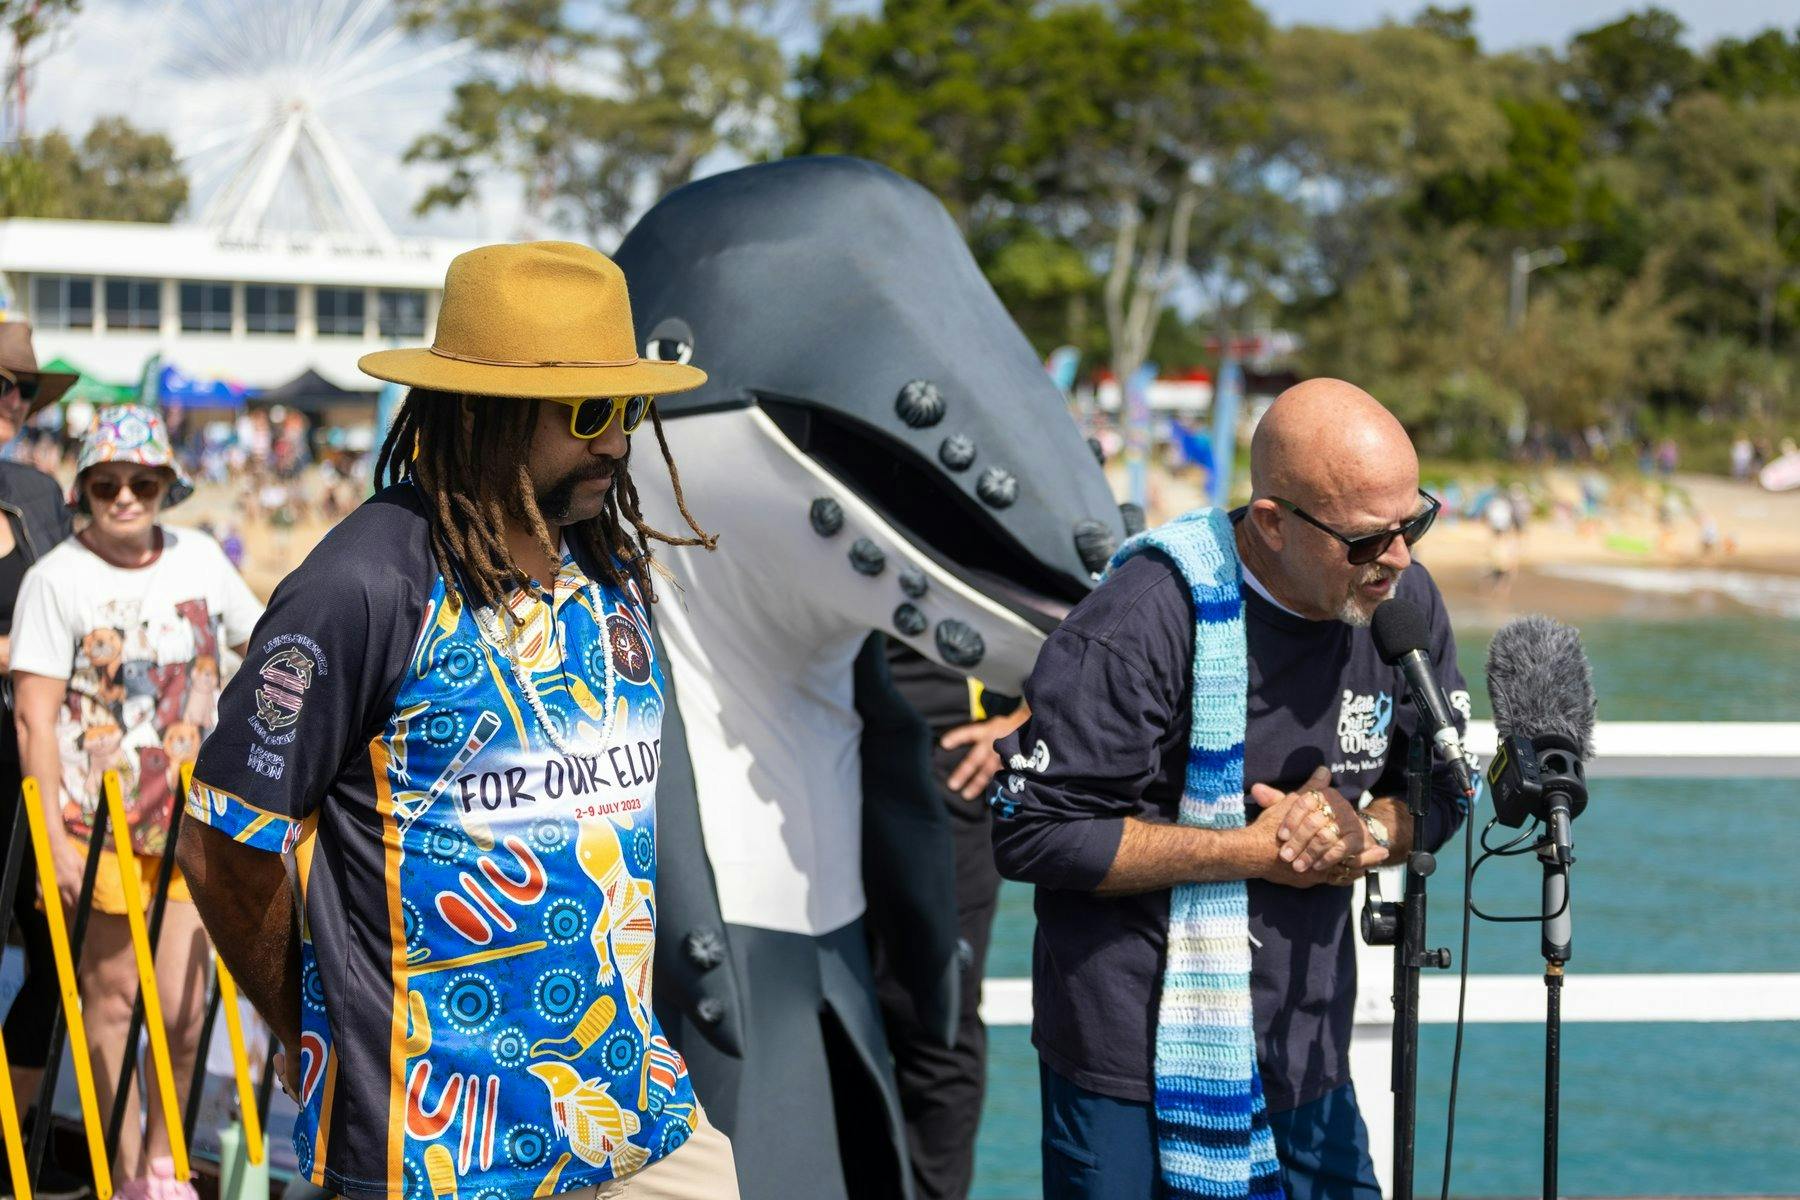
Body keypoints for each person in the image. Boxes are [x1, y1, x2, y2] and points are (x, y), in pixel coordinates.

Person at [176, 241, 738, 1200]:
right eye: (592, 412)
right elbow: (220, 846)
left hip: (637, 1120)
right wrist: (315, 1028)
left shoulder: (607, 565)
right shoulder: (362, 587)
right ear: (485, 413)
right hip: (437, 1155)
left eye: (631, 408)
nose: (617, 442)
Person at [990, 378, 1470, 1199]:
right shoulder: (1143, 616)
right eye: (1365, 541)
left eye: (1413, 523)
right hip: (1127, 1059)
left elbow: (1441, 786)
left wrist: (1369, 835)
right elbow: (1031, 827)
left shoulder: (1401, 605)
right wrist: (1253, 852)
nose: (1397, 560)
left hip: (1306, 1044)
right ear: (1274, 523)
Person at [11, 404, 264, 1200]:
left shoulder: (198, 559)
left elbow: (261, 645)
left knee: (187, 1009)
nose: (126, 496)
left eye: (143, 481)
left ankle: (165, 1156)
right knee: (114, 1003)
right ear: (85, 487)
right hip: (99, 826)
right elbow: (35, 719)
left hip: (191, 823)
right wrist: (52, 839)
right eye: (109, 482)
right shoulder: (56, 580)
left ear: (166, 485)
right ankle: (126, 1172)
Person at [875, 643, 1029, 1200]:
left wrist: (1025, 722)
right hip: (819, 776)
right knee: (829, 1011)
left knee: (936, 1020)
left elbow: (1091, 609)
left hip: (944, 780)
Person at [0, 323, 81, 1200]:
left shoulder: (38, 491)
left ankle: (16, 1140)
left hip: (31, 759)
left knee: (54, 951)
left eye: (19, 389)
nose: (10, 403)